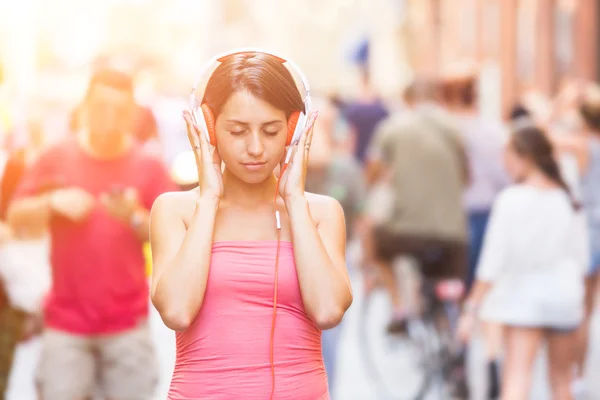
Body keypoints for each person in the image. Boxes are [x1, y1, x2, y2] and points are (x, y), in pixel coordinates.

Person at [150, 51, 353, 400]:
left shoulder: (321, 213)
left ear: (294, 129)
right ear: (209, 129)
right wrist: (209, 198)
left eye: (272, 131)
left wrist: (294, 201)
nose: (256, 148)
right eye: (238, 131)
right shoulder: (176, 211)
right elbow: (178, 311)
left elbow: (327, 310)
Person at [7, 68, 175, 400]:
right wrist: (52, 202)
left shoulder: (150, 166)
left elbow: (173, 239)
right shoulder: (56, 156)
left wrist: (136, 218)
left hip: (128, 325)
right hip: (65, 324)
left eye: (119, 111)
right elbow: (15, 217)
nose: (109, 119)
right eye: (101, 108)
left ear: (131, 116)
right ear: (85, 106)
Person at [457, 123, 588, 400]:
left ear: (523, 157)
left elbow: (491, 263)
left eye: (508, 157)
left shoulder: (511, 200)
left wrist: (472, 308)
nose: (504, 164)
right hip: (564, 297)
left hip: (523, 299)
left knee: (516, 379)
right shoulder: (567, 196)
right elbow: (581, 257)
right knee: (562, 382)